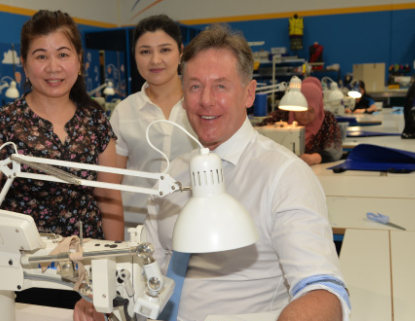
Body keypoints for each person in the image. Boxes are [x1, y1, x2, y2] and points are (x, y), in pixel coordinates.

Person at [75, 24, 349, 321]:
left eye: (221, 85)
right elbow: (150, 263)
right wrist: (106, 298)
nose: (206, 100)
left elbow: (322, 289)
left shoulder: (285, 176)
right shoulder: (174, 175)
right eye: (195, 86)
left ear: (249, 93)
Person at [0, 10, 124, 241]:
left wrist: (116, 261)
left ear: (79, 60)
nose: (54, 67)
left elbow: (109, 202)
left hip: (88, 258)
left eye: (63, 55)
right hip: (23, 261)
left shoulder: (97, 123)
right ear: (24, 63)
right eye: (41, 56)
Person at [109, 14, 198, 225]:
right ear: (135, 56)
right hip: (136, 227)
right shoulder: (124, 111)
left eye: (165, 50)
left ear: (181, 52)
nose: (155, 60)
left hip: (193, 225)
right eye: (145, 51)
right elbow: (112, 183)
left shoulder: (200, 104)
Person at [260, 77, 343, 165]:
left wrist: (314, 158)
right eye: (301, 110)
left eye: (311, 111)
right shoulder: (282, 115)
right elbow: (257, 133)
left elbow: (335, 151)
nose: (305, 115)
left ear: (318, 108)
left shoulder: (327, 119)